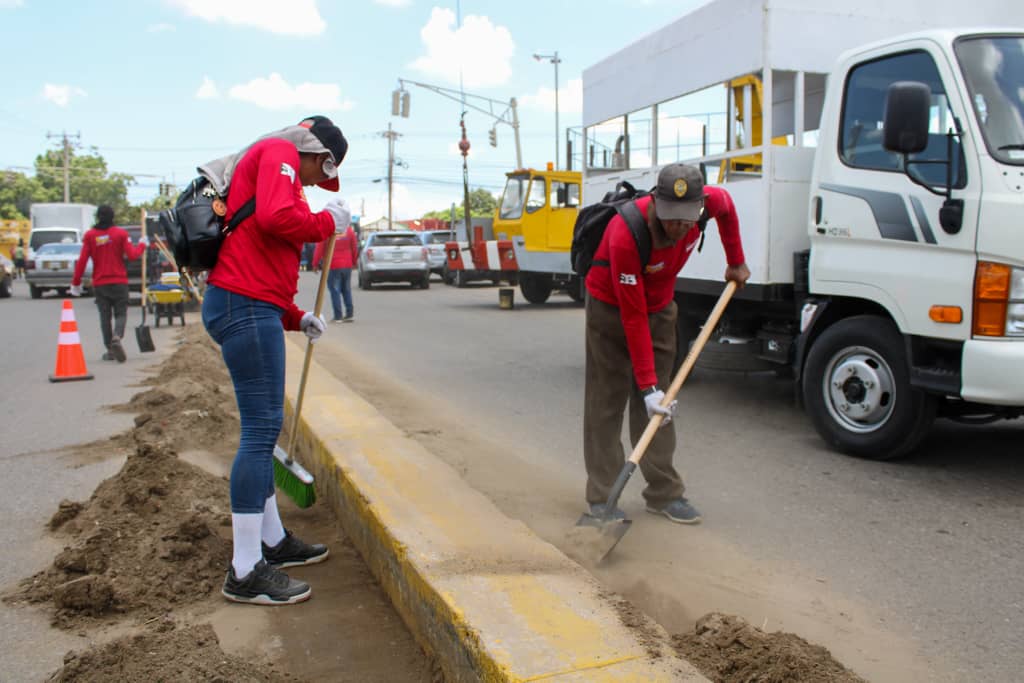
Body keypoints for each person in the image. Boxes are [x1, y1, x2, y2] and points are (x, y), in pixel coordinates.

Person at [200, 115, 350, 605]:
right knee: (262, 431)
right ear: (315, 151)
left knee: (262, 430)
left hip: (248, 303)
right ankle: (245, 570)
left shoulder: (272, 161)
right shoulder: (280, 153)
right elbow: (275, 220)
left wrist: (295, 315)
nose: (314, 182)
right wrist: (329, 223)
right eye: (319, 171)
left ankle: (272, 541)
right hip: (242, 305)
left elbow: (257, 259)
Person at [583, 163, 750, 525]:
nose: (677, 226)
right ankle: (602, 498)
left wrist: (736, 262)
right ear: (656, 202)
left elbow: (729, 210)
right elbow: (632, 316)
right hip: (611, 309)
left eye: (686, 219)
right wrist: (646, 386)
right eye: (670, 218)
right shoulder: (626, 232)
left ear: (699, 206)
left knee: (661, 405)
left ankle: (663, 494)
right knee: (606, 401)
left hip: (660, 308)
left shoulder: (711, 203)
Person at [70, 206, 147, 362]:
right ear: (113, 217)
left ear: (97, 217)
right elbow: (132, 255)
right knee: (121, 313)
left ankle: (110, 350)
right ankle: (117, 336)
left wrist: (76, 283)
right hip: (119, 282)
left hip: (100, 284)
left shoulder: (90, 236)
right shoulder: (120, 234)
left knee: (105, 317)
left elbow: (82, 261)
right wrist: (142, 245)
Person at [312, 209, 358, 322]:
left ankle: (338, 316)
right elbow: (354, 248)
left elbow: (319, 248)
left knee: (335, 290)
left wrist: (315, 264)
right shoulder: (349, 231)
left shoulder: (328, 231)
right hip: (347, 265)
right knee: (346, 289)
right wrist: (354, 262)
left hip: (332, 265)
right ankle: (349, 314)